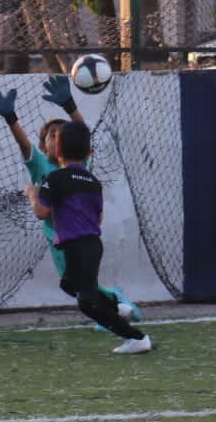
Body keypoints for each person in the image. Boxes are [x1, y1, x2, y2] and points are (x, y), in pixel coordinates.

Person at [0, 76, 142, 327]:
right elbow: (23, 144)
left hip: (80, 234)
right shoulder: (40, 165)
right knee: (74, 286)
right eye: (52, 135)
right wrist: (10, 117)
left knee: (82, 285)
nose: (58, 137)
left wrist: (70, 105)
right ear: (43, 145)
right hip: (55, 237)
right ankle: (115, 302)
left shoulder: (76, 163)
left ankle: (113, 311)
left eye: (62, 134)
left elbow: (83, 134)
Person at [27, 120, 152, 355]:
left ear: (59, 151)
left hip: (76, 247)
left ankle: (137, 338)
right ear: (89, 152)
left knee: (86, 300)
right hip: (92, 244)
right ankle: (119, 306)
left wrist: (33, 195)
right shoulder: (93, 181)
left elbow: (41, 212)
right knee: (70, 284)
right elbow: (99, 217)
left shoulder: (53, 179)